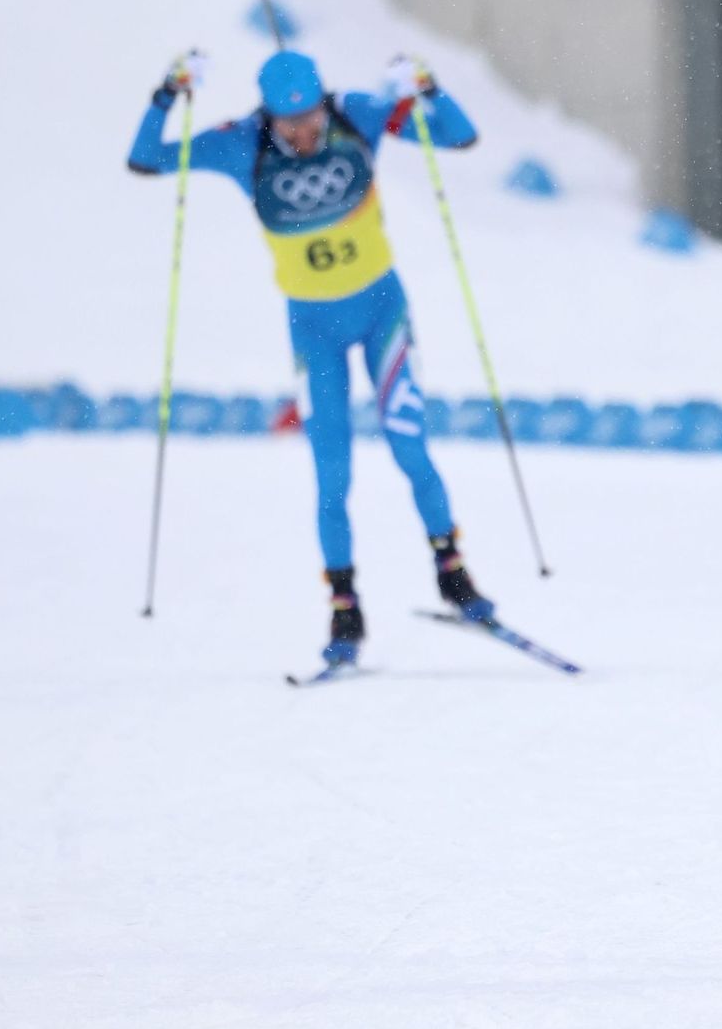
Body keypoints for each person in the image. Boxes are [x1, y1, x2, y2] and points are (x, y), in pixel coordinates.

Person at [127, 50, 497, 668]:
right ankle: (345, 609)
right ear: (266, 114)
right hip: (313, 328)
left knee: (411, 447)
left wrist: (426, 86)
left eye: (309, 120)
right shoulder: (242, 144)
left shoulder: (357, 116)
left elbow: (459, 137)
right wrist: (167, 93)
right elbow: (146, 160)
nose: (301, 135)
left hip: (383, 313)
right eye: (286, 123)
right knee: (333, 474)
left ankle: (453, 575)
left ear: (324, 103)